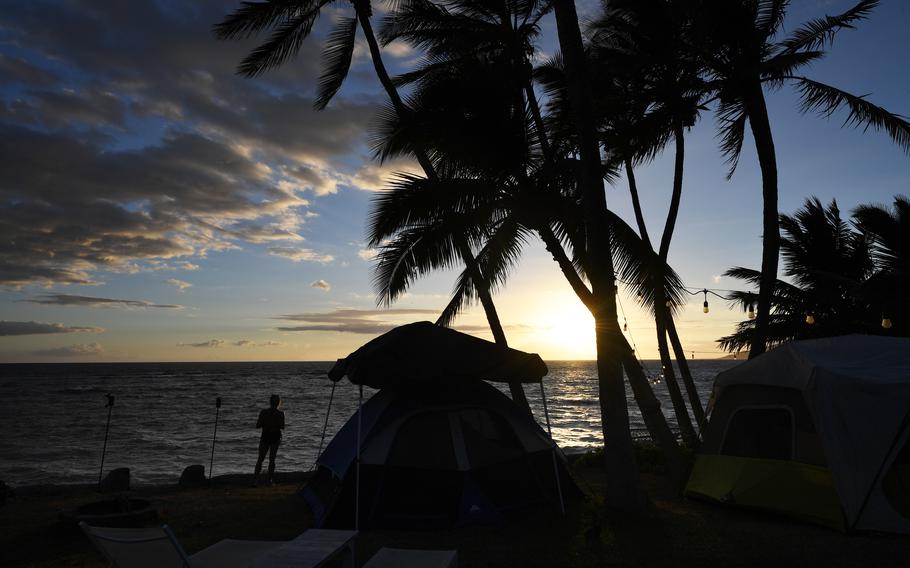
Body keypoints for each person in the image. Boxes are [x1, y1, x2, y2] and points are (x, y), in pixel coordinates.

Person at [253, 394, 285, 486]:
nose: (276, 402)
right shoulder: (273, 413)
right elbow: (258, 425)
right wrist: (270, 425)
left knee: (267, 459)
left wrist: (269, 425)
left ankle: (265, 480)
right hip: (268, 436)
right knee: (264, 459)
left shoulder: (273, 413)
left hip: (272, 436)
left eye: (277, 401)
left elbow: (282, 426)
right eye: (276, 401)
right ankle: (261, 480)